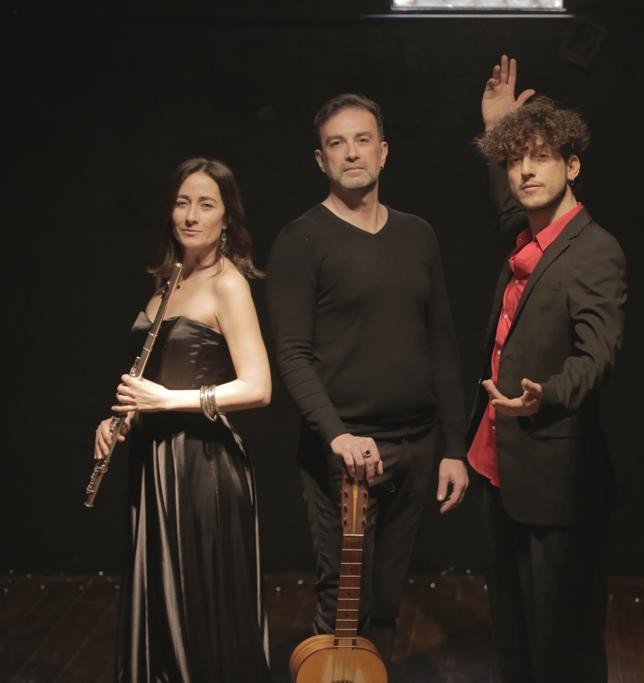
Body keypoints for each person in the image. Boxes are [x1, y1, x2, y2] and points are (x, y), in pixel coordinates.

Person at [266, 93, 469, 666]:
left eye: (362, 141)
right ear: (321, 159)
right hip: (346, 453)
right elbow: (292, 354)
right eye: (337, 143)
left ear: (383, 152)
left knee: (386, 600)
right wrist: (336, 435)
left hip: (417, 447)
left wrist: (454, 447)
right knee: (344, 605)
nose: (351, 153)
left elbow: (441, 343)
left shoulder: (417, 235)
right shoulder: (301, 240)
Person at [469, 55, 627, 682]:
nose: (526, 171)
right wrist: (495, 132)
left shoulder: (595, 250)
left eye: (540, 157)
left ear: (573, 165)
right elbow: (506, 205)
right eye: (515, 160)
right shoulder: (526, 232)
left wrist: (548, 394)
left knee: (563, 650)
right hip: (499, 467)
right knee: (513, 642)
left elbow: (599, 354)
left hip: (557, 482)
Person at [94, 157, 272, 682]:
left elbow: (258, 387)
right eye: (182, 202)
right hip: (154, 464)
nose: (191, 215)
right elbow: (152, 380)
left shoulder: (228, 284)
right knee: (160, 609)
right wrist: (120, 421)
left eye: (206, 204)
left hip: (203, 469)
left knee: (198, 614)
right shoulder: (168, 281)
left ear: (226, 217)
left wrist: (166, 401)